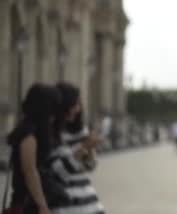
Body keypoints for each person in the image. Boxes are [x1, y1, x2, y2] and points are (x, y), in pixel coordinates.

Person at [6, 83, 65, 214]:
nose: (54, 115)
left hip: (31, 202)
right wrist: (42, 205)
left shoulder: (35, 130)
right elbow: (30, 171)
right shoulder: (28, 134)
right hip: (28, 204)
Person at [50, 82, 105, 214]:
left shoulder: (80, 131)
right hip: (64, 204)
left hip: (88, 202)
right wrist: (85, 146)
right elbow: (58, 172)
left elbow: (90, 167)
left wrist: (91, 147)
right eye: (74, 104)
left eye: (79, 104)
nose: (78, 109)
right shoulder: (49, 133)